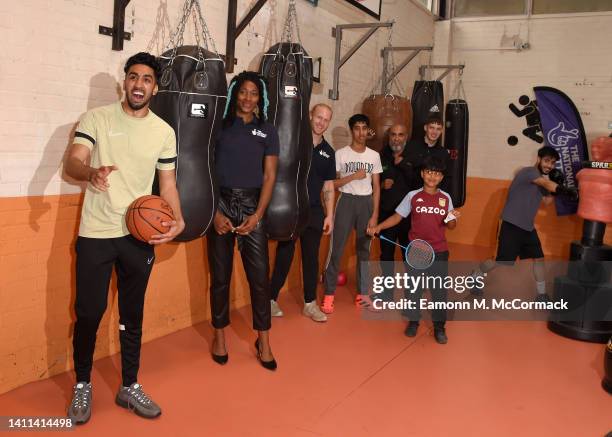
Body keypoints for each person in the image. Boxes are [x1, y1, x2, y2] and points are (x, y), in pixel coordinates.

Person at [64, 52, 185, 424]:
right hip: (97, 232)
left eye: (147, 79)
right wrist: (89, 173)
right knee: (88, 312)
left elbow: (167, 184)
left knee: (132, 316)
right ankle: (83, 383)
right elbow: (73, 161)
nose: (138, 84)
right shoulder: (96, 118)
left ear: (155, 87)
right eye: (133, 77)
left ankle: (129, 385)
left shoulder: (164, 132)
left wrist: (178, 218)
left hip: (138, 236)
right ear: (125, 82)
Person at [208, 71, 279, 370]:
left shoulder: (267, 130)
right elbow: (206, 170)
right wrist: (215, 213)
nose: (248, 98)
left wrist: (258, 214)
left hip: (252, 205)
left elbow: (270, 175)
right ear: (235, 94)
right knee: (220, 278)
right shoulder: (219, 128)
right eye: (243, 92)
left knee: (259, 279)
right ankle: (219, 336)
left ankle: (263, 339)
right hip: (221, 202)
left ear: (259, 98)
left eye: (253, 93)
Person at [368, 156, 460, 344]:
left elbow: (451, 226)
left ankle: (439, 327)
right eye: (429, 172)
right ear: (422, 174)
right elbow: (397, 217)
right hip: (416, 251)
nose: (432, 177)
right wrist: (379, 227)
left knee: (438, 292)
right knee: (414, 290)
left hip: (439, 252)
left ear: (441, 177)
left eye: (436, 174)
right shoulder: (413, 196)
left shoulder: (445, 198)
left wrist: (452, 217)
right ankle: (413, 321)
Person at [470, 146, 576, 301]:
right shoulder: (529, 172)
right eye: (547, 161)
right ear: (539, 159)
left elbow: (547, 201)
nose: (549, 166)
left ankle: (541, 295)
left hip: (527, 227)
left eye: (553, 163)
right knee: (501, 260)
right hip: (511, 223)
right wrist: (563, 189)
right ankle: (476, 275)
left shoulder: (542, 181)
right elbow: (545, 184)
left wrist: (555, 185)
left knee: (539, 258)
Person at [269, 103, 336, 322]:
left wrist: (330, 215)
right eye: (318, 117)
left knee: (311, 258)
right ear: (310, 116)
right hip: (290, 208)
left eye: (326, 119)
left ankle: (310, 303)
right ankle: (270, 299)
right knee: (284, 253)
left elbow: (328, 186)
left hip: (314, 211)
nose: (321, 123)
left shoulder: (328, 152)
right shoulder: (295, 142)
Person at [322, 114, 382, 313]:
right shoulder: (340, 154)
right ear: (352, 130)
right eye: (357, 128)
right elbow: (333, 183)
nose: (361, 132)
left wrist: (374, 216)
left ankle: (362, 294)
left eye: (364, 128)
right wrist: (352, 177)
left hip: (366, 204)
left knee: (364, 251)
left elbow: (376, 187)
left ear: (368, 130)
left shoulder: (374, 155)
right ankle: (329, 295)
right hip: (346, 202)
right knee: (336, 250)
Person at [378, 123, 414, 300]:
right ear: (389, 136)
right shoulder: (381, 155)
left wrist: (405, 166)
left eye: (400, 134)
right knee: (386, 255)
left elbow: (420, 183)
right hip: (386, 214)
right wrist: (382, 185)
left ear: (405, 137)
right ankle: (387, 292)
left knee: (409, 256)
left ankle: (411, 294)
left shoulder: (414, 156)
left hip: (408, 217)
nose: (396, 138)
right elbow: (373, 183)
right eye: (393, 134)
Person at [404, 114, 450, 193]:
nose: (434, 132)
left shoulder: (444, 153)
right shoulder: (411, 147)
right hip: (411, 195)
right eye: (431, 127)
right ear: (425, 128)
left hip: (433, 197)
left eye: (438, 129)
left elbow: (446, 179)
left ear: (442, 131)